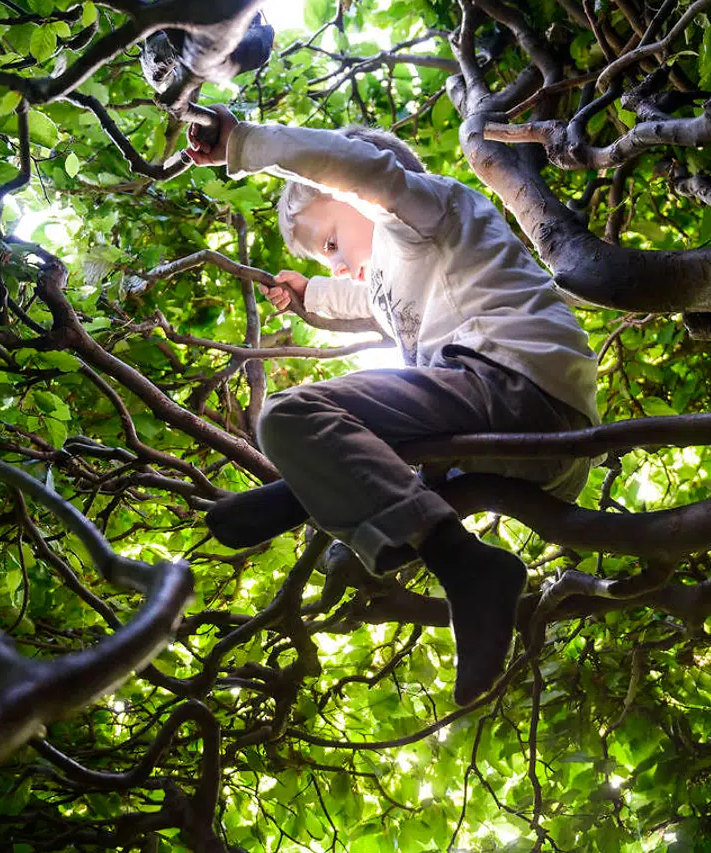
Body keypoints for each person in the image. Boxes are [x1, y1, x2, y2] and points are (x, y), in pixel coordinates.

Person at [184, 106, 599, 705]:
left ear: (352, 192)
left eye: (330, 241)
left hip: (511, 380)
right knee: (373, 424)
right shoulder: (391, 273)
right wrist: (310, 297)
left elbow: (354, 172)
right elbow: (365, 297)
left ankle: (461, 562)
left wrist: (245, 143)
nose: (338, 262)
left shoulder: (424, 208)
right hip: (521, 445)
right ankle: (315, 486)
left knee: (290, 415)